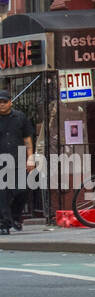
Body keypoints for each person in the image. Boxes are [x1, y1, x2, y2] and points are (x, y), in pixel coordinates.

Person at [0, 90, 36, 235]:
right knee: (2, 195)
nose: (1, 105)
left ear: (10, 102)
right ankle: (4, 223)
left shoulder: (20, 117)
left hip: (19, 160)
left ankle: (15, 217)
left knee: (22, 190)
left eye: (4, 102)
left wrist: (31, 157)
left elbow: (27, 139)